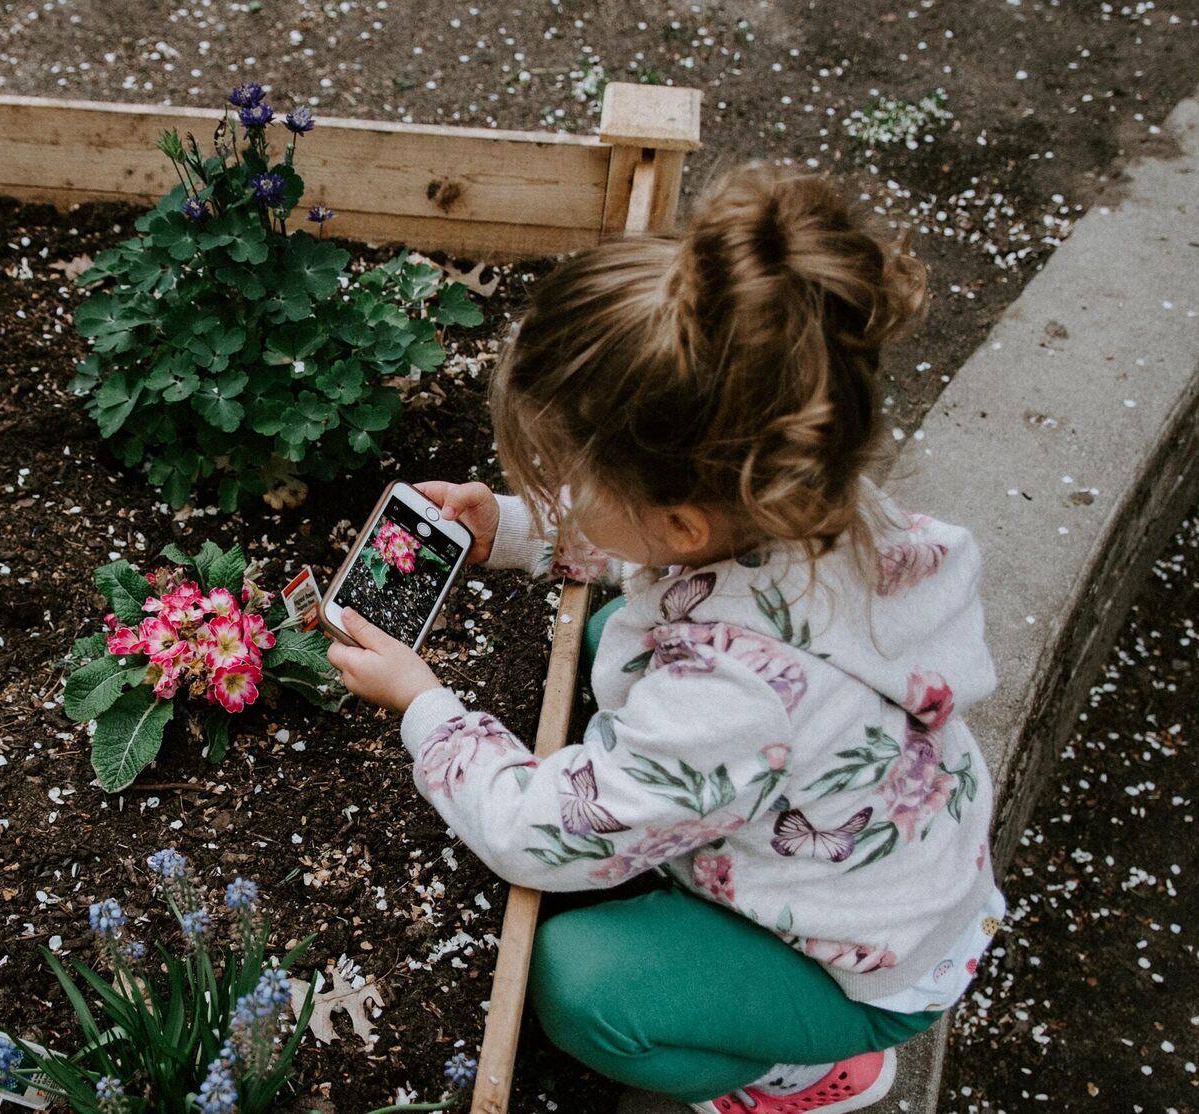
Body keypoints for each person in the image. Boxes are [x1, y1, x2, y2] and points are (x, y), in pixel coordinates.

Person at [327, 164, 1004, 1114]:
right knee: (616, 629)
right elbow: (652, 553)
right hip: (870, 861)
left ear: (684, 522)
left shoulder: (734, 698)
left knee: (582, 988)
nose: (556, 483)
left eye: (569, 474)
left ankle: (799, 1072)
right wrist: (515, 529)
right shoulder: (811, 505)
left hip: (853, 967)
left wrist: (427, 707)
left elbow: (536, 837)